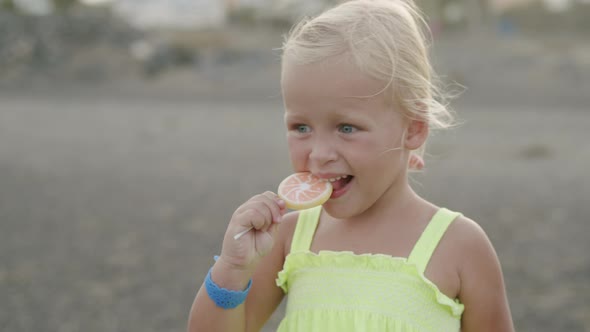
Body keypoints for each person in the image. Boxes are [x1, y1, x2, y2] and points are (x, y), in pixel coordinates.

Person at [188, 0, 514, 331]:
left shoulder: (460, 245)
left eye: (346, 128)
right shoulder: (289, 238)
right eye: (301, 127)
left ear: (413, 129)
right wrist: (232, 267)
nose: (319, 154)